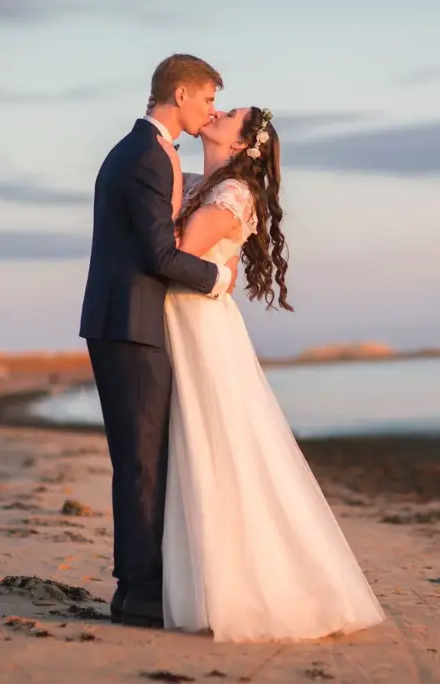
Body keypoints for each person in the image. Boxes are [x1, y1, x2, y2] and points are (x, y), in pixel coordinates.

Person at [159, 105, 386, 642]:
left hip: (201, 328)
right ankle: (202, 583)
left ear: (241, 144)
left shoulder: (233, 193)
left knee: (220, 445)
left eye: (230, 113)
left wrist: (217, 270)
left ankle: (240, 588)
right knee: (199, 445)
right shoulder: (199, 182)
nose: (216, 110)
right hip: (185, 321)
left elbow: (176, 253)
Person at [79, 54, 239, 628]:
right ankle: (139, 591)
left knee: (142, 458)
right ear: (180, 95)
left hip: (128, 321)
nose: (212, 111)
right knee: (142, 463)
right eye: (208, 99)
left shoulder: (144, 150)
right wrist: (218, 279)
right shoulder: (147, 155)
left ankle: (139, 587)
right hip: (129, 322)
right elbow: (159, 254)